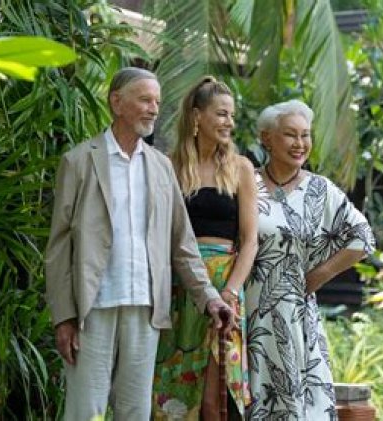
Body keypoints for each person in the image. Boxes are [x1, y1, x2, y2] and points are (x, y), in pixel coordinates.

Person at [44, 67, 233, 421]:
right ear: (117, 102)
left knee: (135, 412)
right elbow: (58, 247)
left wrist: (209, 297)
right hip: (92, 307)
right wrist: (64, 318)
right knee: (85, 411)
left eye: (157, 102)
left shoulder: (161, 166)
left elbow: (182, 243)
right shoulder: (79, 160)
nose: (153, 109)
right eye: (145, 100)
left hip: (145, 307)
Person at [244, 99, 375, 419]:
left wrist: (320, 274)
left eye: (305, 135)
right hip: (246, 309)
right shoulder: (246, 182)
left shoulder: (320, 189)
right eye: (291, 134)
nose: (300, 143)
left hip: (295, 315)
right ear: (266, 138)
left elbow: (363, 238)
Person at [152, 76, 257, 420]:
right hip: (180, 285)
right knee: (174, 398)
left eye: (232, 115)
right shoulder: (169, 165)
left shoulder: (240, 168)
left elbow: (250, 241)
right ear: (197, 116)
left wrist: (231, 291)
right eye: (222, 114)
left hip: (225, 286)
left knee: (215, 401)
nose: (229, 122)